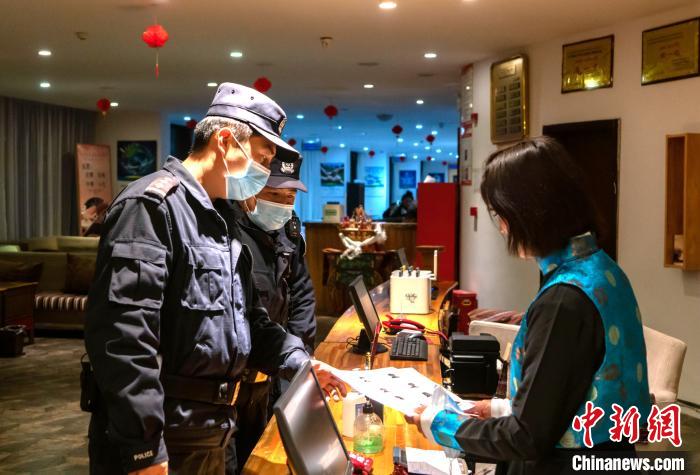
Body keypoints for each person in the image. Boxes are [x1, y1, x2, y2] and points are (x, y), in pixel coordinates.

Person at [84, 83, 345, 475]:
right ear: (224, 142)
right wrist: (144, 448)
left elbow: (250, 319)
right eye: (261, 158)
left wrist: (300, 363)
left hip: (210, 428)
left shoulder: (221, 217)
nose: (263, 173)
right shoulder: (152, 208)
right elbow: (124, 339)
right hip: (164, 434)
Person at [406, 137, 651, 474]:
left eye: (501, 214)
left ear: (530, 213)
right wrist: (500, 409)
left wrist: (438, 423)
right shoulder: (605, 271)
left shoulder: (563, 302)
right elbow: (572, 394)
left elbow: (526, 437)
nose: (502, 228)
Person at [214, 155, 316, 470]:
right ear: (250, 189)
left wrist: (296, 361)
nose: (283, 205)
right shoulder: (225, 232)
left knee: (259, 459)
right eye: (274, 195)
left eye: (290, 197)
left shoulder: (289, 232)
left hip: (270, 376)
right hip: (228, 383)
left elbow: (302, 295)